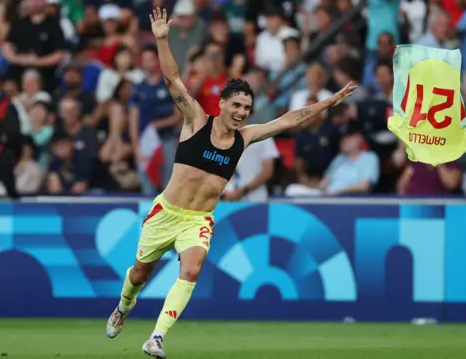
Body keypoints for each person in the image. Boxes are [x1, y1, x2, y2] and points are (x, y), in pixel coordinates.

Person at [105, 8, 357, 359]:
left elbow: (290, 119)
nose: (241, 112)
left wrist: (330, 101)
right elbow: (173, 78)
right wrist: (162, 39)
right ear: (221, 103)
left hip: (198, 220)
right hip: (166, 212)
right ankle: (123, 306)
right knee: (139, 273)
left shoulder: (247, 136)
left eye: (247, 108)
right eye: (236, 105)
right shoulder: (195, 120)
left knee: (191, 269)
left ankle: (157, 337)